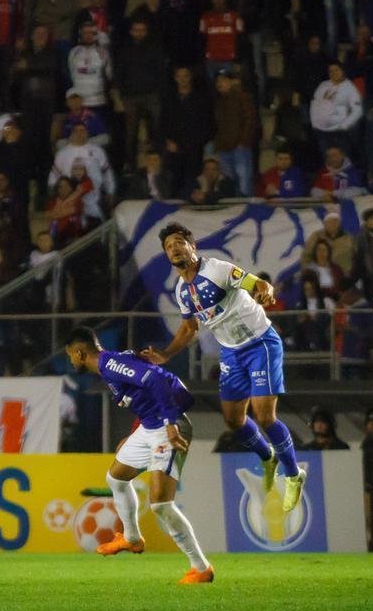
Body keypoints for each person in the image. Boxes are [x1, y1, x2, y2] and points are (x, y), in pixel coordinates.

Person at [140, 223, 306, 513]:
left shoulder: (216, 269)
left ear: (193, 246)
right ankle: (268, 457)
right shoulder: (181, 290)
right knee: (233, 420)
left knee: (265, 416)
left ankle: (293, 474)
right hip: (231, 353)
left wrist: (264, 290)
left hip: (260, 343)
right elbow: (189, 328)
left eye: (179, 241)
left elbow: (256, 283)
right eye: (168, 246)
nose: (174, 248)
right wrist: (166, 354)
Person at [64, 326, 212, 584]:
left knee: (160, 505)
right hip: (149, 427)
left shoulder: (110, 365)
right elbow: (143, 391)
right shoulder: (113, 363)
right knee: (116, 478)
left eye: (70, 356)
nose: (70, 360)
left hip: (168, 427)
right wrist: (136, 432)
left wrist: (169, 423)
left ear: (78, 352)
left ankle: (201, 568)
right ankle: (131, 538)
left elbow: (153, 380)